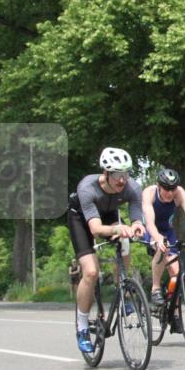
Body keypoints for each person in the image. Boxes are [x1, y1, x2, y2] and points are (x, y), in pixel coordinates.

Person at [66, 147, 146, 353]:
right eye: (118, 175)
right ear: (106, 173)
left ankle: (124, 289)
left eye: (126, 174)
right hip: (82, 220)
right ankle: (82, 326)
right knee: (91, 272)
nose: (122, 180)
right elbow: (95, 229)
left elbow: (137, 215)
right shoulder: (87, 188)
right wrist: (117, 228)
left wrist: (137, 225)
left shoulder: (132, 188)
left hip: (109, 213)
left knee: (126, 242)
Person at [141, 168, 185, 328]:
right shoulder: (149, 193)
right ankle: (156, 288)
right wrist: (157, 238)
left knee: (177, 272)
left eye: (173, 189)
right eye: (166, 188)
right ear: (159, 185)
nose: (170, 193)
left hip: (168, 230)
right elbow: (150, 222)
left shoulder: (179, 193)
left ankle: (174, 313)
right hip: (151, 230)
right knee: (162, 248)